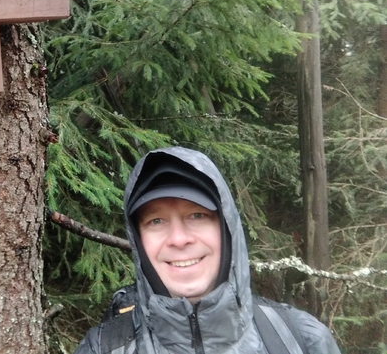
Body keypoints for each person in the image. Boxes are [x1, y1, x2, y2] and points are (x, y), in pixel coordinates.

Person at [74, 146, 341, 354]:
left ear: (226, 229)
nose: (179, 239)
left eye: (197, 215)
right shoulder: (101, 348)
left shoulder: (302, 340)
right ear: (139, 241)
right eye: (156, 221)